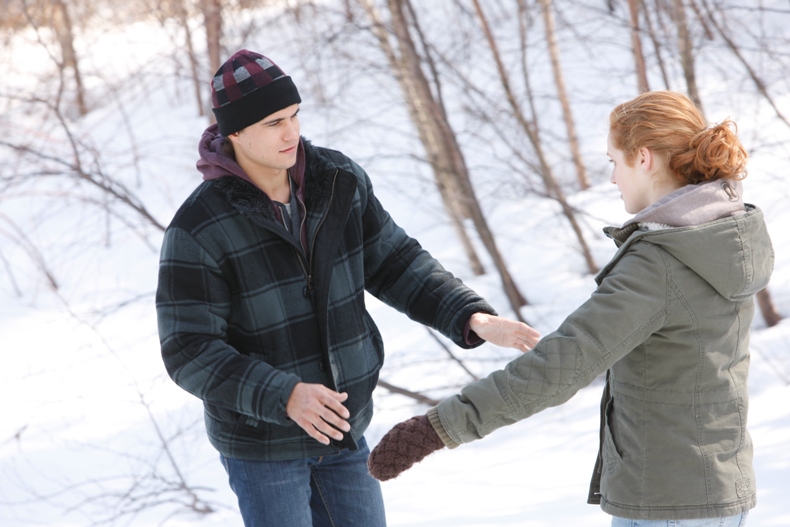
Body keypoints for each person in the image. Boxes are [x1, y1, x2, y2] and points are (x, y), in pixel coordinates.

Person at [155, 49, 540, 527]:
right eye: (274, 122)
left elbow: (397, 262)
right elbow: (188, 349)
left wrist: (470, 316)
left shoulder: (336, 181)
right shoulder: (199, 227)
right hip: (264, 447)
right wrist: (284, 394)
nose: (291, 133)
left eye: (295, 115)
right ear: (234, 132)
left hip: (345, 430)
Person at [367, 91, 774, 527]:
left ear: (643, 159)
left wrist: (438, 427)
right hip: (720, 491)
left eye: (613, 161)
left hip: (669, 504)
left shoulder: (662, 264)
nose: (614, 178)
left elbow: (561, 364)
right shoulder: (723, 237)